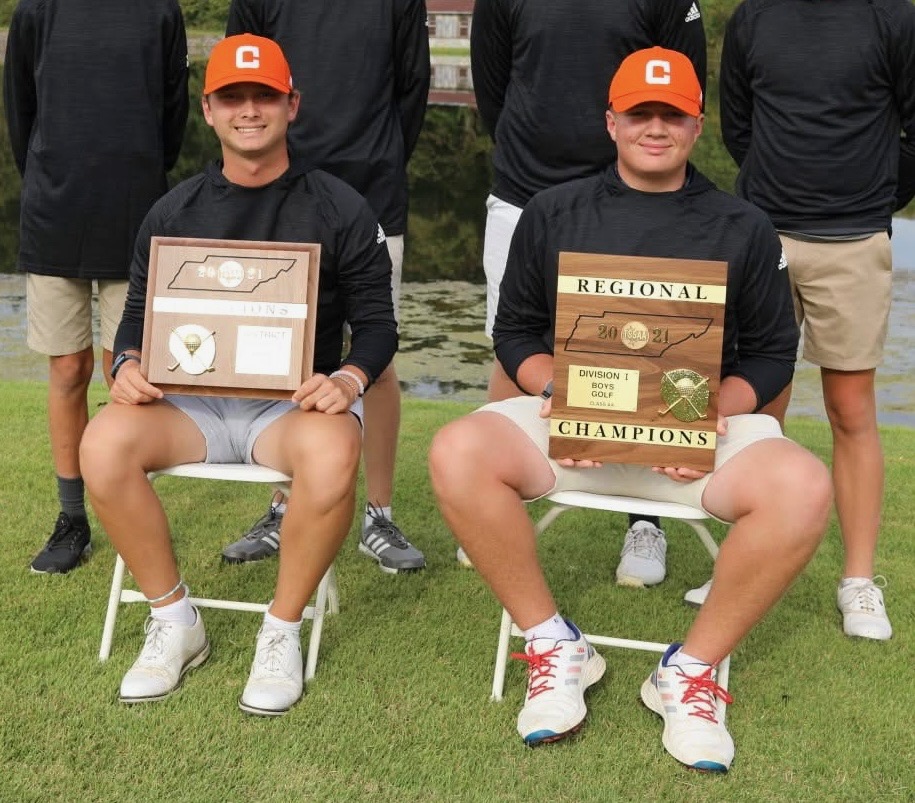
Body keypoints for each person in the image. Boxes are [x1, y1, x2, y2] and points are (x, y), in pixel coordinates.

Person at [429, 47, 831, 771]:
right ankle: (554, 643)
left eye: (671, 115)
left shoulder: (741, 224)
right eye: (639, 113)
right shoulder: (553, 211)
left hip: (693, 438)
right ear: (611, 121)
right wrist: (559, 394)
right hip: (573, 428)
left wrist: (707, 415)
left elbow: (774, 351)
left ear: (697, 125)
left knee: (802, 486)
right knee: (457, 449)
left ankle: (688, 672)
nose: (655, 127)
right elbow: (514, 331)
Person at [80, 34, 398, 716]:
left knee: (334, 449)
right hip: (190, 404)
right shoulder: (173, 211)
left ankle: (280, 630)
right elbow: (134, 320)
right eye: (232, 98)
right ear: (208, 110)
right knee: (102, 443)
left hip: (290, 408)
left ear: (292, 105)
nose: (248, 110)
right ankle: (175, 619)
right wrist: (127, 363)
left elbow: (378, 326)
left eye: (264, 97)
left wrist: (347, 380)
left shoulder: (340, 207)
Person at [467, 0, 707, 582]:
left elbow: (683, 84)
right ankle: (494, 510)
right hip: (525, 191)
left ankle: (645, 523)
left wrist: (637, 166)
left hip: (634, 190)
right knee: (513, 343)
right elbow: (492, 84)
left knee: (648, 351)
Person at [718, 0, 915, 640]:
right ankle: (741, 566)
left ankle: (858, 582)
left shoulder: (893, 17)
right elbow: (737, 126)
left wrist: (875, 194)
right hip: (763, 235)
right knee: (755, 406)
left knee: (851, 408)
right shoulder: (753, 17)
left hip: (854, 241)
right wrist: (770, 190)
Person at [221, 0, 430, 573]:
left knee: (376, 356)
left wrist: (381, 156)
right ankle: (283, 506)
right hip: (279, 186)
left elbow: (412, 87)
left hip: (373, 184)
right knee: (281, 345)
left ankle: (379, 515)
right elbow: (241, 76)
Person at [3, 0, 189, 574]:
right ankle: (72, 519)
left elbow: (173, 117)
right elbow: (19, 111)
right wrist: (48, 176)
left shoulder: (160, 11)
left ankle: (123, 509)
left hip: (135, 213)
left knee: (123, 373)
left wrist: (141, 176)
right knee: (67, 369)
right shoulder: (37, 9)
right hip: (54, 211)